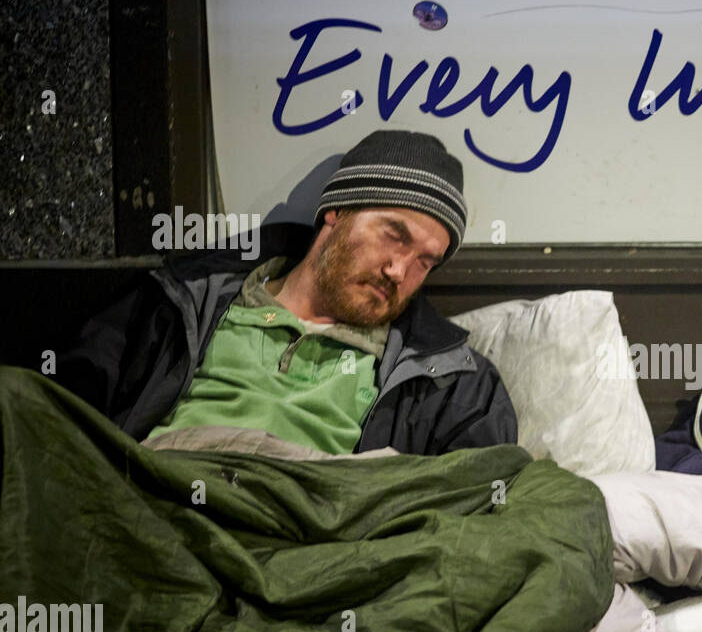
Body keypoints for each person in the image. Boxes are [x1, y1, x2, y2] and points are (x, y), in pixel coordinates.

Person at [54, 130, 516, 457]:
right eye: (393, 234)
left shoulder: (455, 381)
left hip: (311, 541)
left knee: (560, 505)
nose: (399, 270)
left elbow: (478, 505)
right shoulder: (179, 302)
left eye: (425, 261)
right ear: (335, 214)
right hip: (166, 498)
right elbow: (64, 411)